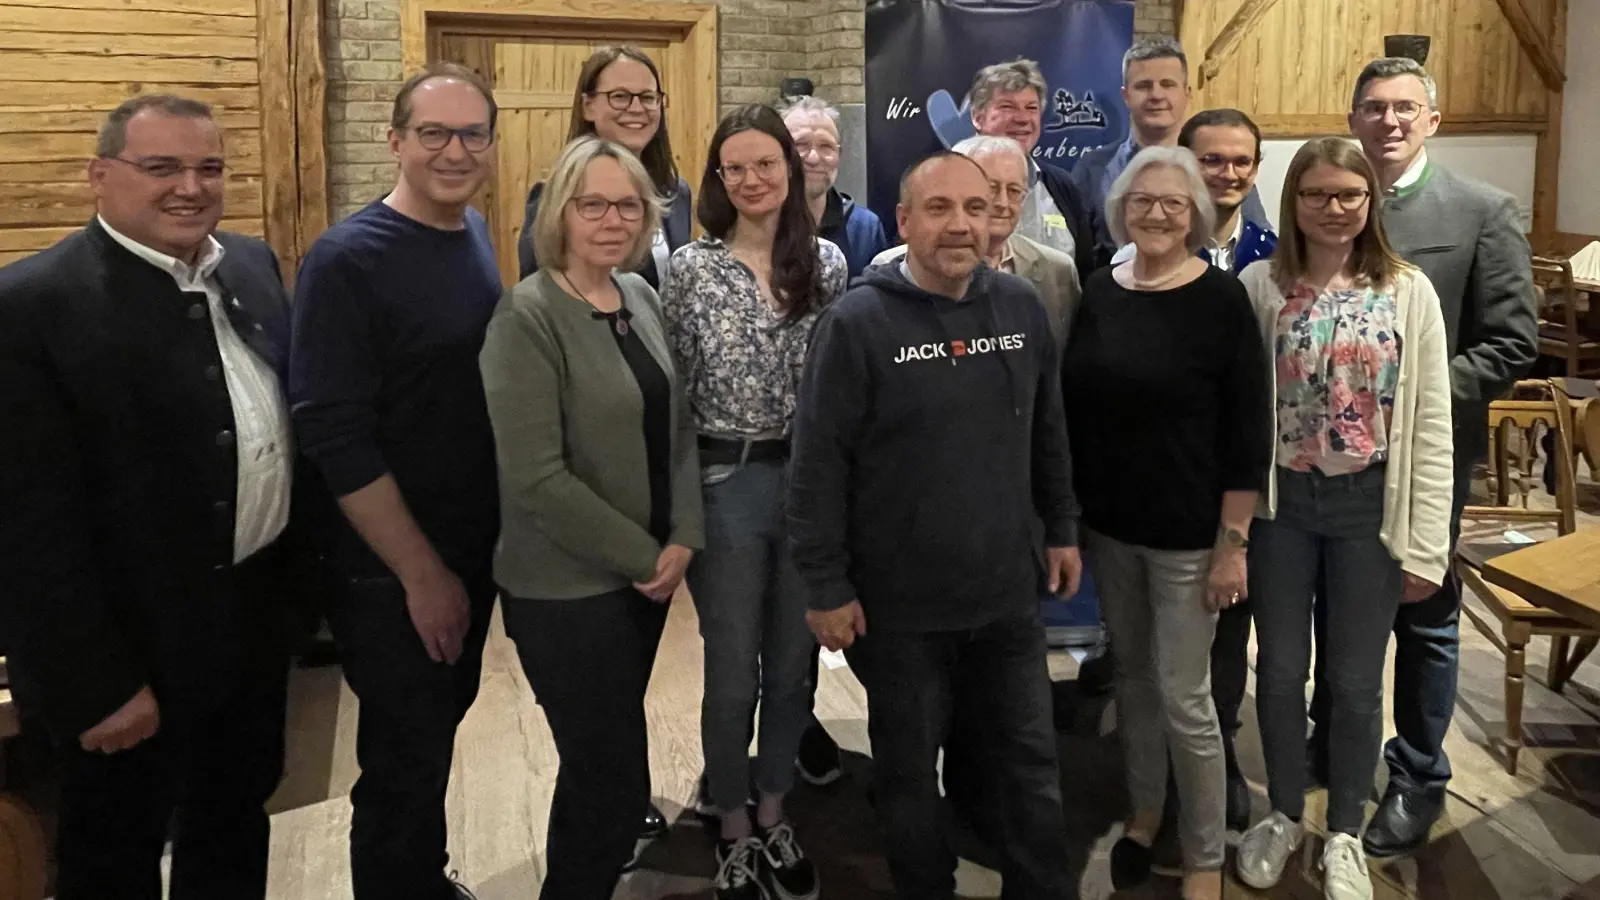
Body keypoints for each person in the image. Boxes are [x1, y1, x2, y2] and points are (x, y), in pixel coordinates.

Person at [0, 94, 294, 900]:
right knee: (113, 853)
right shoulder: (31, 307)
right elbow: (26, 526)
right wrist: (96, 684)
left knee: (234, 820)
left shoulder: (252, 265)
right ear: (100, 176)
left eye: (209, 168)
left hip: (248, 625)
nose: (189, 188)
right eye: (160, 167)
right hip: (125, 653)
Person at [789, 149, 1081, 900]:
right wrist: (824, 582)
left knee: (1029, 770)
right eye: (941, 209)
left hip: (1008, 595)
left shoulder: (1018, 307)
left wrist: (1062, 528)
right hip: (902, 609)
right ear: (904, 222)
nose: (961, 225)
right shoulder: (856, 321)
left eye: (976, 209)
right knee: (910, 780)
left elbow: (1048, 431)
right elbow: (818, 464)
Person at [1307, 57, 1538, 858]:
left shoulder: (1482, 209)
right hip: (1330, 467)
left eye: (1406, 107)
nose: (1389, 121)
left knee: (1425, 614)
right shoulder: (1326, 205)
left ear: (1432, 121)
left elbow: (1513, 342)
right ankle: (1331, 741)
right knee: (1334, 607)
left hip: (1424, 459)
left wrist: (1413, 398)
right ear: (1353, 117)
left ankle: (1416, 773)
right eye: (1373, 107)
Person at [289, 62, 502, 900]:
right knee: (403, 755)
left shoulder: (473, 232)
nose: (455, 151)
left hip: (467, 538)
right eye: (434, 134)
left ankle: (421, 877)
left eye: (472, 133)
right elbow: (335, 433)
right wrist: (421, 575)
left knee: (430, 735)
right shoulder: (348, 259)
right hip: (390, 562)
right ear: (395, 141)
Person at [480, 135, 704, 900]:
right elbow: (537, 478)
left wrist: (685, 535)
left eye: (630, 205)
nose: (613, 220)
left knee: (597, 773)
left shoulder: (636, 295)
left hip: (640, 583)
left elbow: (675, 425)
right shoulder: (528, 315)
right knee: (610, 781)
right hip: (564, 592)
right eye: (593, 204)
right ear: (560, 214)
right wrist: (647, 556)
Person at [1233, 136, 1454, 900]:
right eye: (1316, 194)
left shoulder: (1406, 290)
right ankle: (1286, 813)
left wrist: (1427, 543)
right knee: (1282, 670)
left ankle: (1348, 833)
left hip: (1371, 506)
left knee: (1357, 683)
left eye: (1348, 196)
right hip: (1282, 508)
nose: (1333, 209)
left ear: (1371, 203)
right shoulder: (1261, 286)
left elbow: (1430, 425)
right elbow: (1236, 416)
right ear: (1292, 201)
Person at [1061, 146, 1271, 900]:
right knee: (1136, 685)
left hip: (1192, 539)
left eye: (1172, 204)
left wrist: (1233, 545)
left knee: (1186, 699)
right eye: (1142, 201)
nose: (1155, 213)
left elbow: (1249, 434)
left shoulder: (1220, 300)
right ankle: (1144, 816)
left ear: (1196, 215)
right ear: (1122, 208)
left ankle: (1206, 853)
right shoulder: (1099, 290)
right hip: (1113, 530)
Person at [663, 103, 846, 900]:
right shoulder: (687, 270)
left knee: (795, 664)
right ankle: (730, 819)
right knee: (734, 666)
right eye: (733, 167)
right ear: (717, 179)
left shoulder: (831, 266)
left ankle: (775, 809)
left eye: (764, 163)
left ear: (792, 167)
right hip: (724, 482)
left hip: (807, 485)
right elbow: (670, 397)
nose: (751, 179)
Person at [873, 134, 1080, 350]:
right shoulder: (891, 267)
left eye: (1014, 191)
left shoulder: (1057, 271)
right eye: (991, 189)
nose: (1002, 203)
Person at [518, 45, 692, 297]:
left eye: (647, 97)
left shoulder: (675, 192)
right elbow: (539, 295)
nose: (636, 108)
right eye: (619, 96)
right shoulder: (554, 194)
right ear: (588, 105)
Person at [968, 57, 1108, 281]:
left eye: (1031, 108)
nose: (1023, 118)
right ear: (977, 117)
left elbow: (1083, 273)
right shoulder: (946, 180)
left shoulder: (1061, 186)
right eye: (1007, 107)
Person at [1073, 37, 1193, 236]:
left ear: (1187, 94)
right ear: (1126, 96)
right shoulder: (1092, 170)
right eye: (1144, 86)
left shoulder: (1214, 167)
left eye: (1168, 84)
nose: (1156, 95)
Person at [781, 94, 890, 279]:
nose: (814, 158)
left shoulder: (864, 229)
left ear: (839, 154)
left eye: (826, 146)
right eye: (800, 145)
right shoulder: (760, 224)